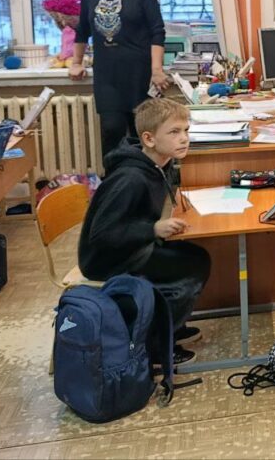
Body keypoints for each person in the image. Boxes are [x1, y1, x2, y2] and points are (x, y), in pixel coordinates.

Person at [78, 98, 211, 365]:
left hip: (132, 244)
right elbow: (102, 235)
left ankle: (172, 326)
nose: (184, 138)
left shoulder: (158, 163)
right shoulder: (130, 178)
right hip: (107, 259)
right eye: (174, 132)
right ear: (149, 139)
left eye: (186, 130)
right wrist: (152, 229)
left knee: (197, 257)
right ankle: (157, 347)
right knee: (189, 269)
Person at [70, 0, 169, 160]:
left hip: (138, 74)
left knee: (142, 134)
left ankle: (145, 178)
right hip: (107, 76)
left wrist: (157, 70)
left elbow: (157, 31)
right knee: (111, 131)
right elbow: (82, 29)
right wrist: (76, 62)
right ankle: (115, 179)